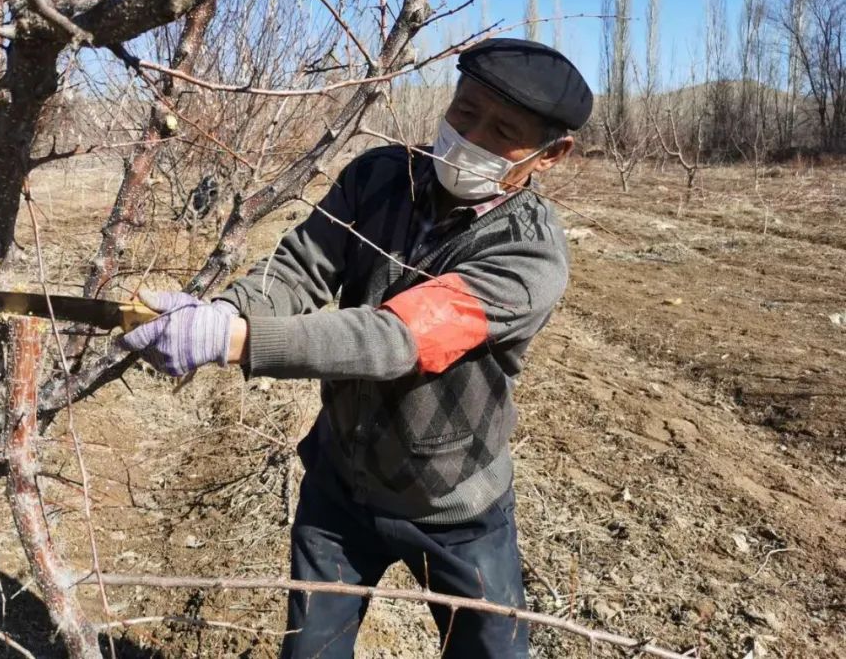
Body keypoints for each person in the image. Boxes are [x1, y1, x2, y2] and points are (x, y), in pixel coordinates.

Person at [121, 37, 593, 658]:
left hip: (454, 508)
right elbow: (299, 266)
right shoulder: (377, 176)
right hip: (340, 486)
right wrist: (227, 310)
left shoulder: (528, 252)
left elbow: (397, 338)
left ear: (551, 153)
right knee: (311, 651)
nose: (471, 137)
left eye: (502, 129)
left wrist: (234, 340)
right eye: (464, 110)